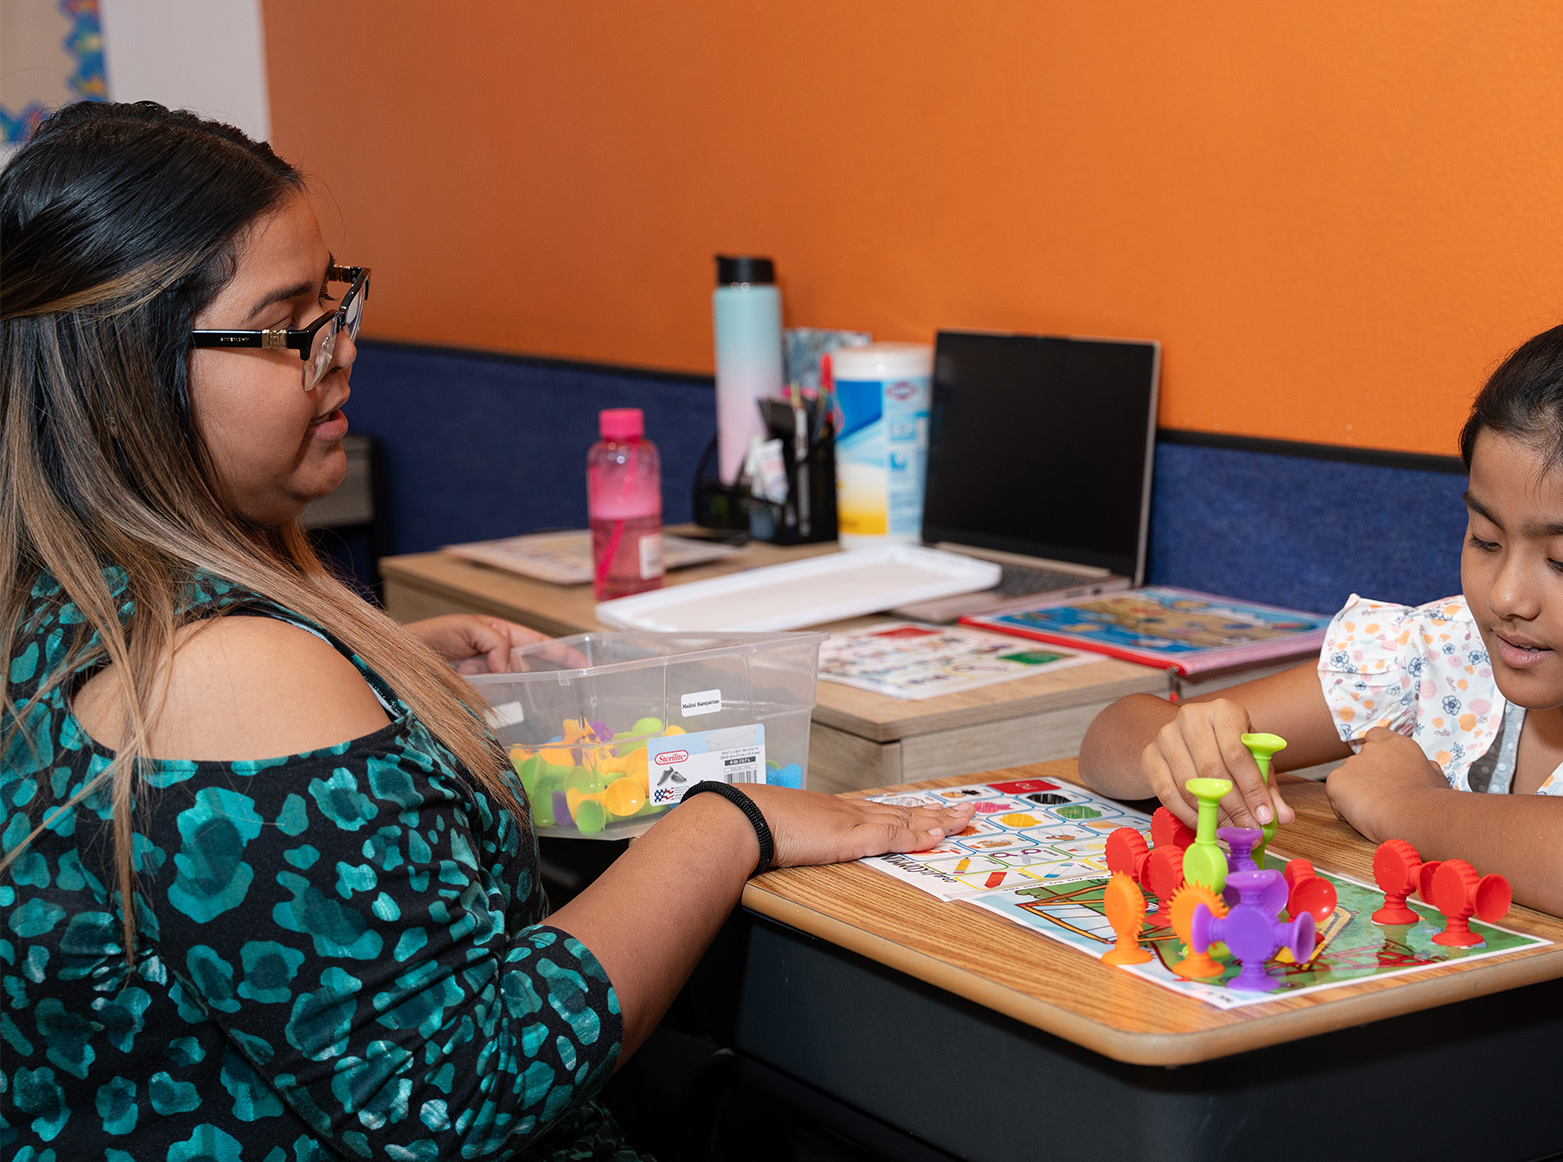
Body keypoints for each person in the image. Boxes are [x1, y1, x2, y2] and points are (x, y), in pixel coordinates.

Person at [0, 101, 970, 1160]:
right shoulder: (222, 670)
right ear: (126, 371)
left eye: (338, 296)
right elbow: (456, 1093)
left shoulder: (70, 595)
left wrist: (384, 681)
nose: (344, 347)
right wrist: (725, 823)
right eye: (292, 323)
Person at [1080, 316, 1563, 941]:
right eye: (1486, 540)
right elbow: (1111, 740)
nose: (1509, 595)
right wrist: (1182, 741)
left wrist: (1407, 806)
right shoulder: (1442, 651)